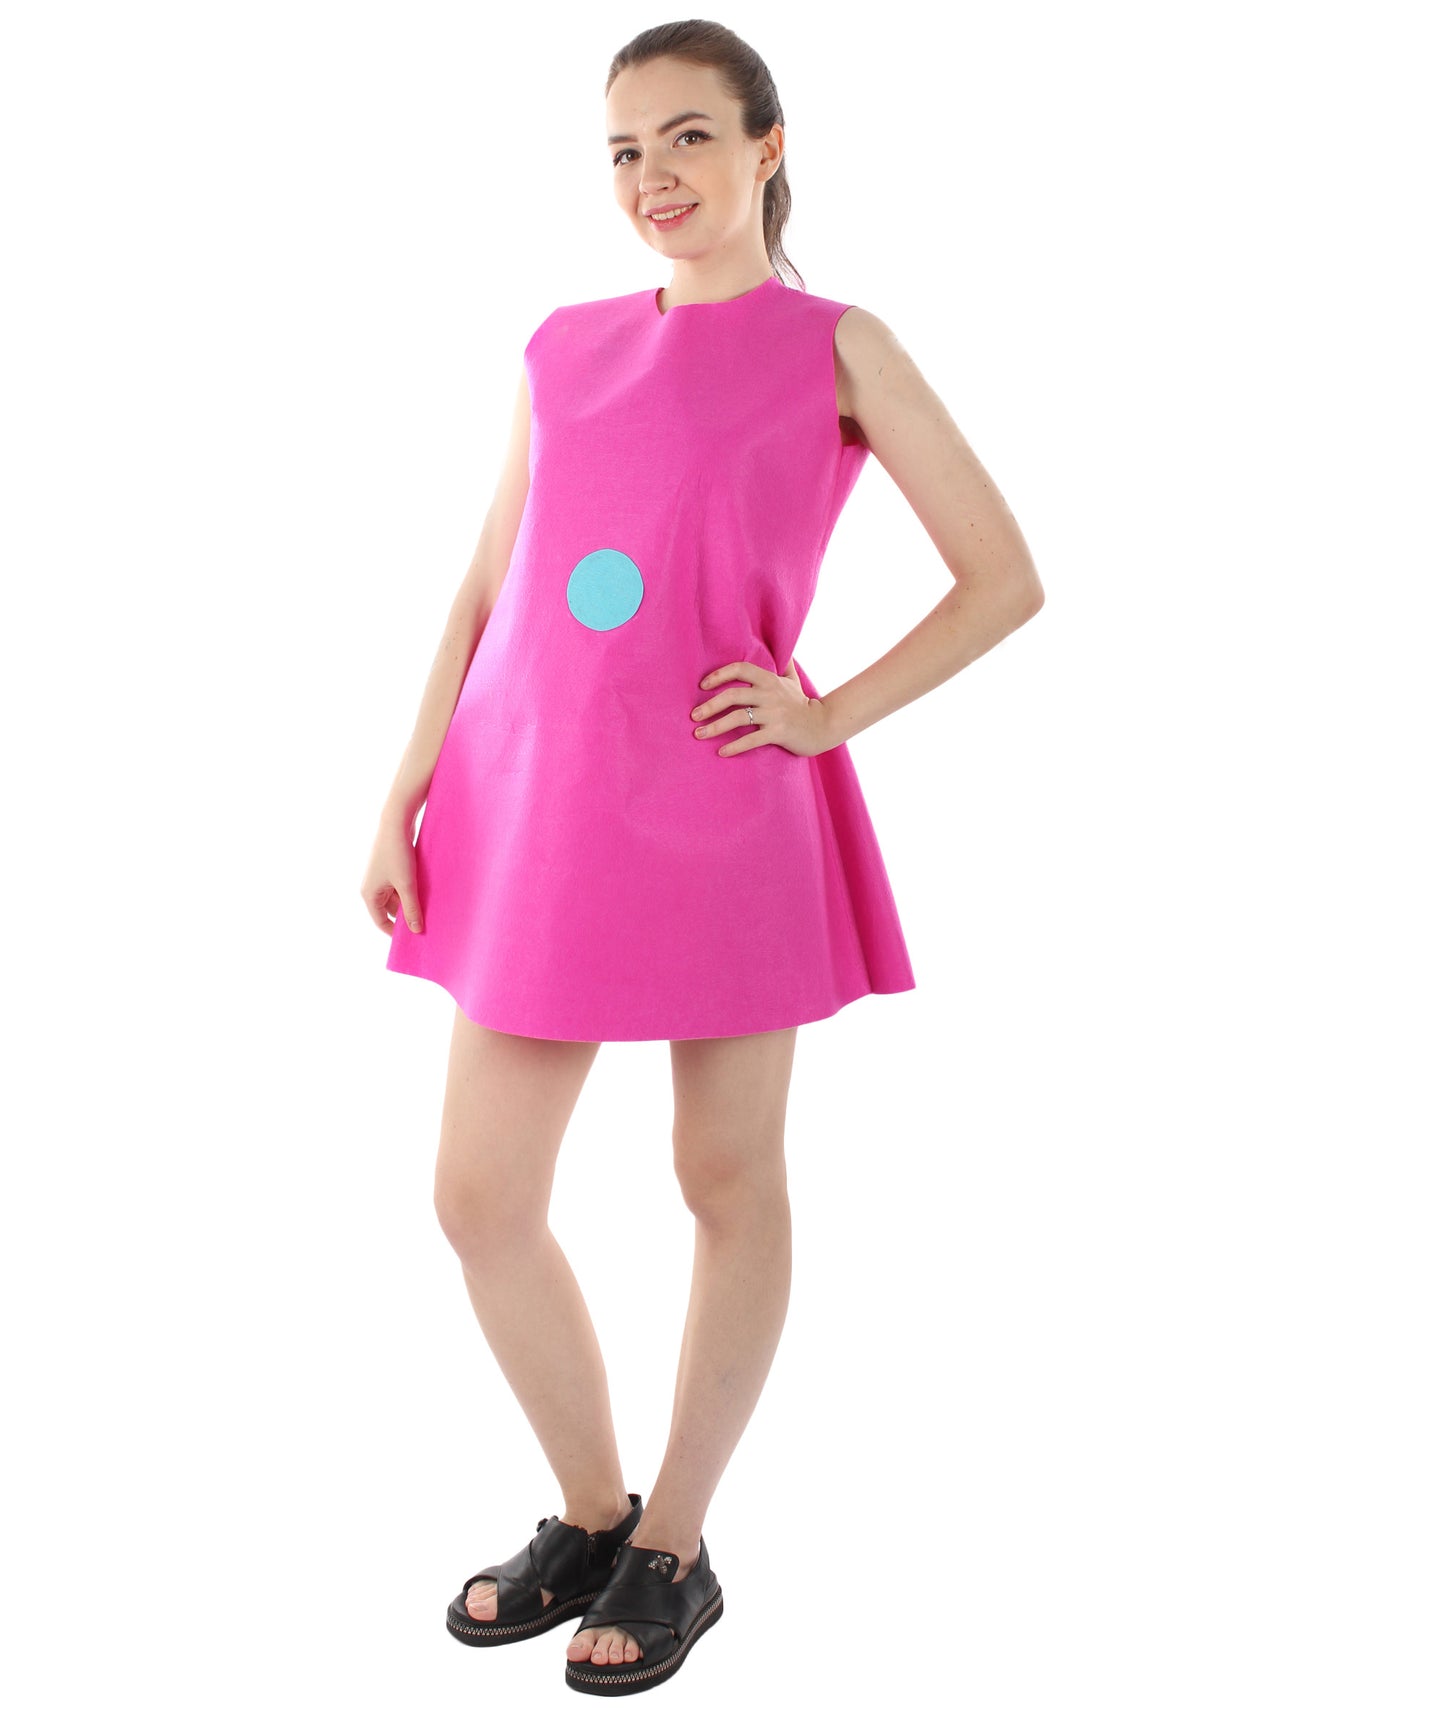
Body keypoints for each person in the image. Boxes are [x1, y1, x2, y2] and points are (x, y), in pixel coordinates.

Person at [360, 19, 1044, 1697]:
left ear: (764, 146)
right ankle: (591, 1510)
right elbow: (489, 585)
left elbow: (1003, 574)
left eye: (685, 137)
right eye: (622, 150)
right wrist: (404, 785)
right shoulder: (560, 344)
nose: (651, 177)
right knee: (476, 1194)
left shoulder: (837, 345)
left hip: (721, 811)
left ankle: (673, 1541)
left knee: (723, 1178)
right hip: (531, 803)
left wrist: (826, 715)